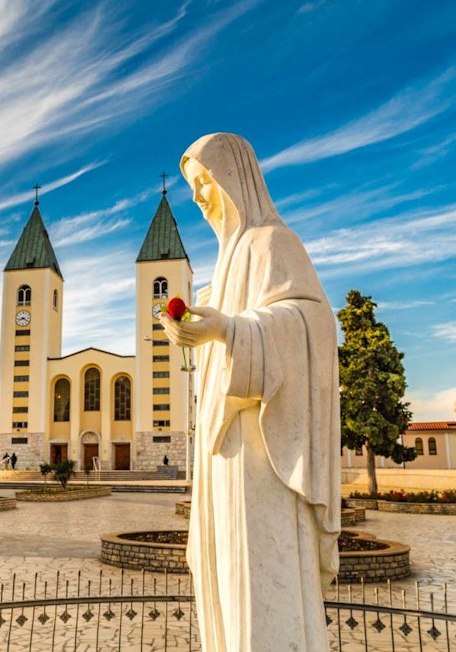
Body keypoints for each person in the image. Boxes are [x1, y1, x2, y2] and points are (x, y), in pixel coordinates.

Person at [161, 133, 340, 652]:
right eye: (193, 186)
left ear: (234, 179)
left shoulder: (272, 243)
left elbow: (312, 323)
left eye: (203, 183)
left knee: (259, 570)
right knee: (226, 572)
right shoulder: (225, 263)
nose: (198, 198)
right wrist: (200, 331)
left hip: (262, 450)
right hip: (223, 450)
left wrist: (229, 330)